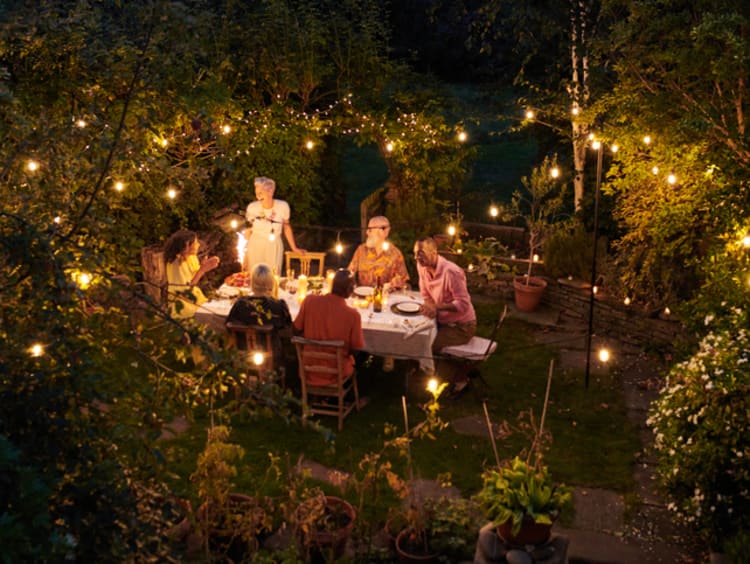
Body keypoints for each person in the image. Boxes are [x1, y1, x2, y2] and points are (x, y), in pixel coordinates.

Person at [413, 236, 476, 396]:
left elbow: (463, 304)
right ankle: (424, 371)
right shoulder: (422, 266)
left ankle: (460, 378)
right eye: (415, 254)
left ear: (434, 252)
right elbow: (425, 291)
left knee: (427, 344)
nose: (417, 258)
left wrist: (437, 307)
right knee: (416, 335)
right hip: (441, 320)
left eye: (421, 253)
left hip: (461, 326)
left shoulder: (451, 272)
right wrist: (428, 305)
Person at [293, 270, 365, 386]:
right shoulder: (353, 315)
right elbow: (356, 349)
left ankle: (314, 396)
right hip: (336, 374)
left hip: (308, 369)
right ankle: (343, 396)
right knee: (363, 356)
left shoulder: (309, 301)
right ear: (349, 290)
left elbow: (296, 329)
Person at [226, 263, 292, 364]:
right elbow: (287, 328)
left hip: (243, 356)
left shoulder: (240, 304)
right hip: (271, 357)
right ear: (271, 283)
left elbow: (228, 325)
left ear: (252, 283)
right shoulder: (278, 306)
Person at [244, 176, 305, 275]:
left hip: (273, 244)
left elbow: (286, 227)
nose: (257, 197)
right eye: (256, 194)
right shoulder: (252, 207)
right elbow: (249, 227)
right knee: (255, 275)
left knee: (273, 275)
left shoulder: (282, 206)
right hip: (255, 244)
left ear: (270, 192)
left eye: (260, 193)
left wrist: (294, 248)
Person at [164, 230, 220, 318]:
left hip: (195, 298)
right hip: (183, 303)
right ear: (187, 245)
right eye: (196, 242)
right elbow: (185, 291)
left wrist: (205, 266)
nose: (198, 245)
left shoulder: (191, 257)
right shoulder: (176, 264)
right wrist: (202, 270)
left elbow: (194, 276)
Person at [347, 215, 409, 289]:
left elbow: (403, 280)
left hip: (385, 297)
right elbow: (350, 272)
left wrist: (393, 284)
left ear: (384, 232)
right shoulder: (361, 250)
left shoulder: (395, 254)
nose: (367, 232)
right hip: (362, 296)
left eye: (370, 229)